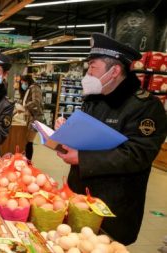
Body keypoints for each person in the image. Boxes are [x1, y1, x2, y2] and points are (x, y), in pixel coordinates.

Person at [55, 33, 167, 245]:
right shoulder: (94, 100)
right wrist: (66, 133)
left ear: (114, 71)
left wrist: (83, 159)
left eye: (92, 68)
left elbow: (138, 154)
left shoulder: (146, 107)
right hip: (78, 196)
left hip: (113, 207)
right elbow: (87, 136)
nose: (87, 74)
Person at [16, 75, 43, 160]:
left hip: (35, 118)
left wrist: (24, 107)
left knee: (29, 141)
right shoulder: (29, 89)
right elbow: (26, 101)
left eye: (24, 82)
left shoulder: (35, 87)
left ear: (28, 81)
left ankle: (28, 162)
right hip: (30, 117)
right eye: (21, 83)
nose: (22, 84)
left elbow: (36, 102)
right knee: (26, 141)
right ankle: (26, 160)